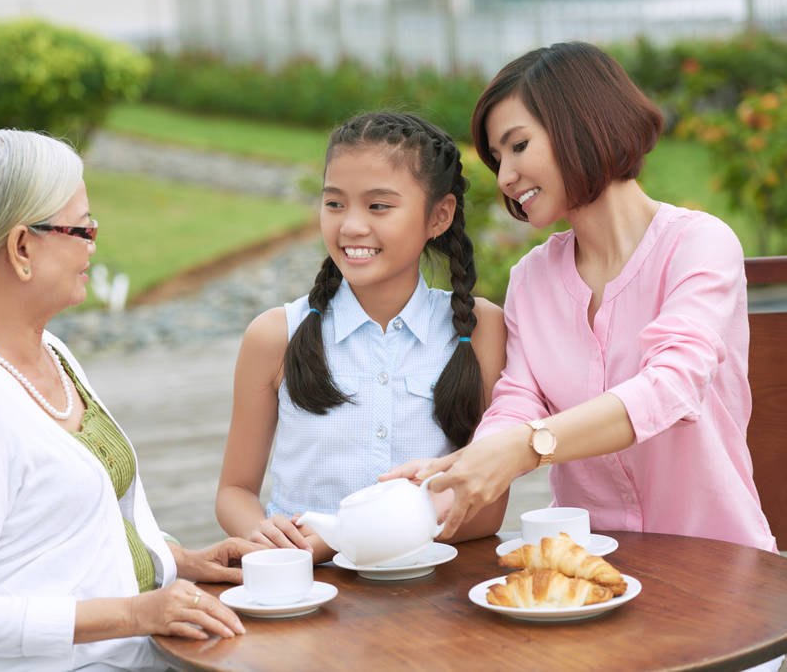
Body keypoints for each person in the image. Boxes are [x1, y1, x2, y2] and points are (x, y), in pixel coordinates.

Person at [383, 42, 777, 554]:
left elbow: (671, 385)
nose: (505, 177)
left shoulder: (699, 244)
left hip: (713, 558)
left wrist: (529, 446)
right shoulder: (532, 277)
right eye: (497, 159)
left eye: (518, 146)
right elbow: (518, 400)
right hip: (587, 561)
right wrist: (461, 469)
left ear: (582, 124)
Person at [0, 129, 261, 672]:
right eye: (82, 228)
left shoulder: (49, 352)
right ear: (22, 248)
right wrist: (135, 613)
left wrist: (182, 561)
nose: (93, 243)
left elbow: (72, 530)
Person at [215, 111, 508, 563]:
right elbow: (234, 491)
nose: (351, 226)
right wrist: (266, 535)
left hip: (434, 590)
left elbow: (487, 509)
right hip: (308, 584)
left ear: (439, 215)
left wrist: (343, 538)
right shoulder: (274, 336)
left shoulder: (480, 329)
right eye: (334, 203)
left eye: (378, 206)